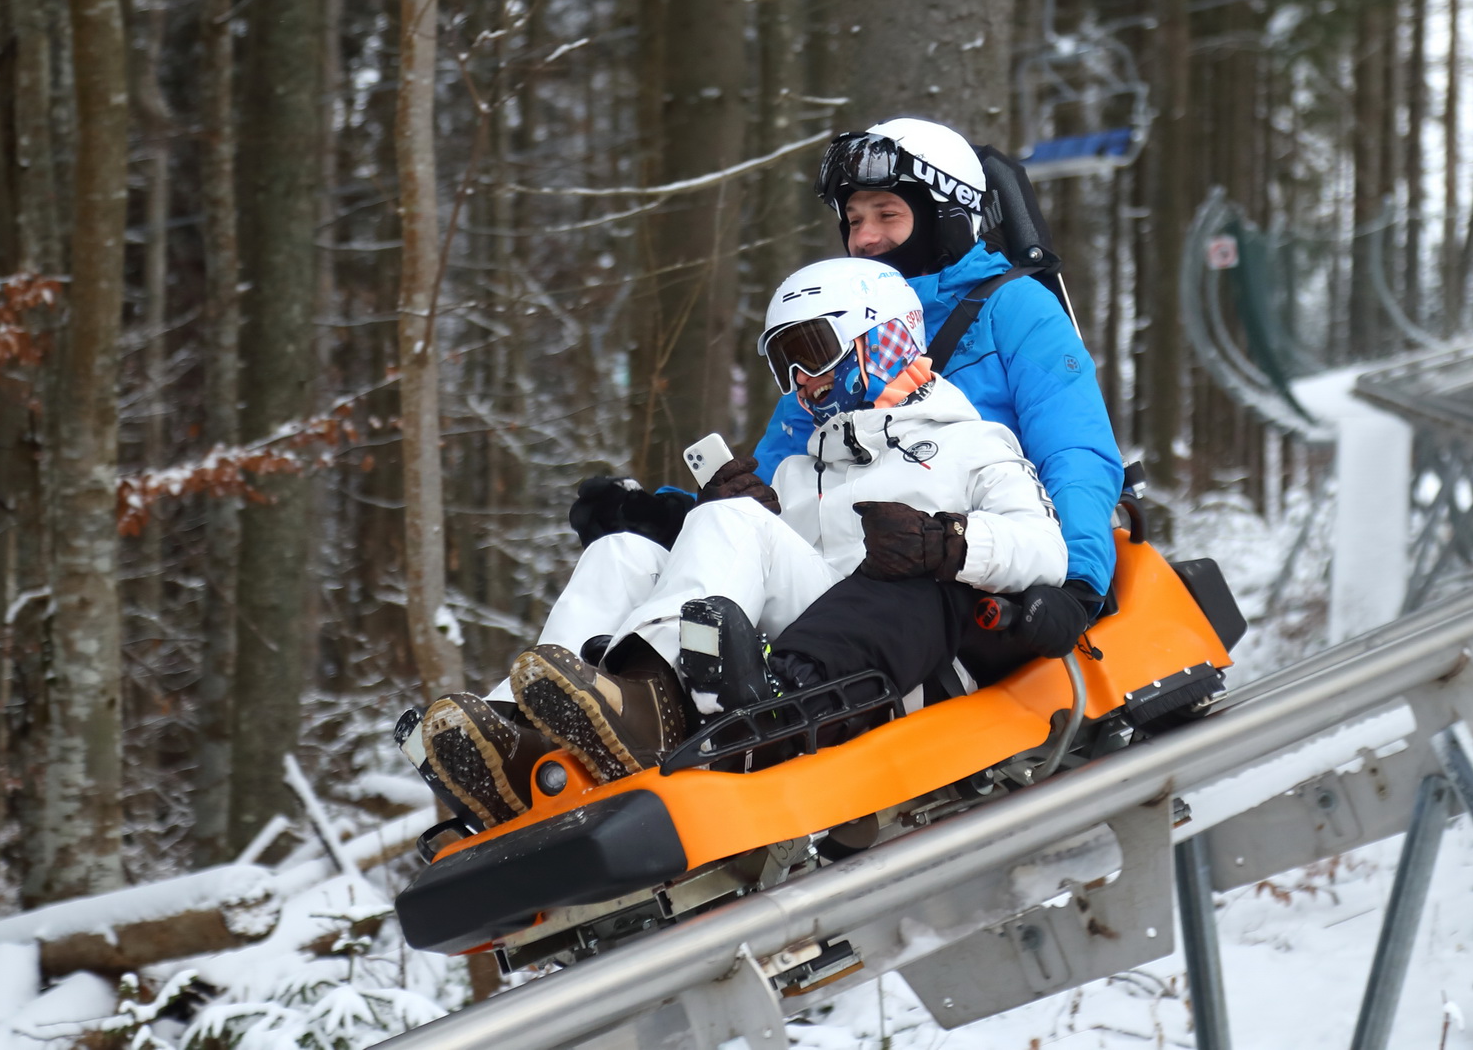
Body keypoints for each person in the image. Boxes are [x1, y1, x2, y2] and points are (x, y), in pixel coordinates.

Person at [400, 258, 1076, 829]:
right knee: (623, 552)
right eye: (785, 363)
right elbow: (783, 574)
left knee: (730, 522)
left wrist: (948, 542)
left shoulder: (971, 442)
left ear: (882, 339)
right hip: (792, 659)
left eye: (810, 351)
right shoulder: (797, 467)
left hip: (889, 677)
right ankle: (525, 739)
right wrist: (752, 520)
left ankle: (652, 705)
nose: (801, 381)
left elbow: (1045, 548)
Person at [751, 118, 1125, 617]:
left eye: (887, 215)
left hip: (973, 569)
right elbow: (779, 467)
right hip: (847, 571)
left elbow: (1074, 451)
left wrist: (1076, 580)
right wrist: (681, 511)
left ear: (943, 217)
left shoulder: (1013, 310)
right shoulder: (844, 328)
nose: (865, 237)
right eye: (855, 220)